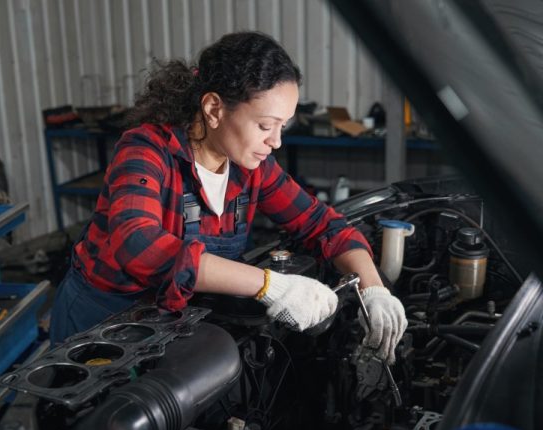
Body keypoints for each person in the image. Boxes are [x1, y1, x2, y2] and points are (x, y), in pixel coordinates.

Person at [49, 31, 406, 364]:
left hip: (174, 320)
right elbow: (139, 244)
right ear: (214, 109)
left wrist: (373, 289)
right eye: (266, 126)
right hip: (103, 320)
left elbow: (320, 223)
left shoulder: (252, 168)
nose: (276, 141)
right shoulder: (146, 151)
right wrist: (269, 285)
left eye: (284, 126)